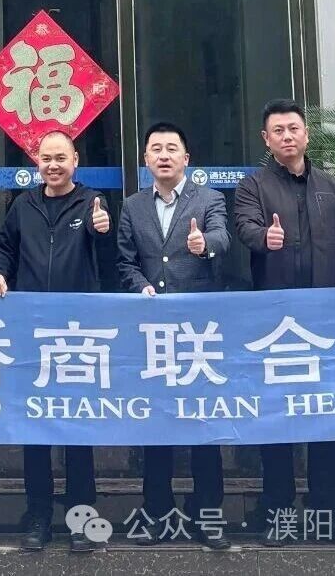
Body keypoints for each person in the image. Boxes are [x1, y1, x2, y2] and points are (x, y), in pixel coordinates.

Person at [233, 99, 335, 547]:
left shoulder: (332, 188)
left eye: (293, 128)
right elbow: (244, 229)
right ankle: (278, 510)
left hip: (325, 323)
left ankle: (327, 510)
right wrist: (264, 238)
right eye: (278, 131)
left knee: (326, 417)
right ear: (266, 139)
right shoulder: (252, 186)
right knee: (277, 419)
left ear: (306, 134)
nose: (287, 136)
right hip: (276, 325)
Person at [0, 130, 112, 553]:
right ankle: (38, 515)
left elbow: (109, 258)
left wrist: (102, 230)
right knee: (35, 428)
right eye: (46, 158)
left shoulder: (92, 202)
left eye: (61, 157)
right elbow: (4, 248)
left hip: (79, 335)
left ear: (75, 160)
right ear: (36, 162)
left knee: (77, 428)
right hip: (33, 332)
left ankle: (82, 517)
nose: (53, 165)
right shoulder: (24, 205)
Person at [116, 122, 231, 550]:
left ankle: (208, 516)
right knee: (155, 426)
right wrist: (140, 286)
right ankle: (157, 514)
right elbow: (124, 261)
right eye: (156, 149)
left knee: (204, 426)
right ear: (146, 159)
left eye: (171, 148)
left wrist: (205, 245)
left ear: (186, 157)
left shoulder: (209, 199)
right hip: (151, 333)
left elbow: (222, 236)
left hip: (198, 332)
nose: (164, 155)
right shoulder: (132, 206)